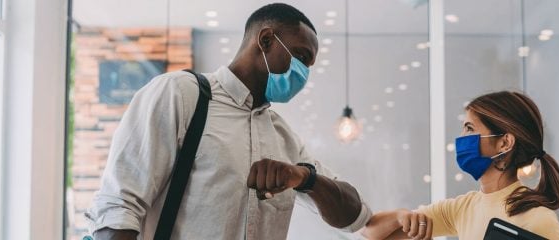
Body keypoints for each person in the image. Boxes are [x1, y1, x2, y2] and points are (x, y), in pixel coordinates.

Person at [85, 3, 371, 240]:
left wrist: (304, 177)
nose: (303, 75)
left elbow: (353, 215)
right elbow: (118, 207)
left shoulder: (283, 137)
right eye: (301, 57)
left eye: (309, 67)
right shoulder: (181, 94)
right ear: (266, 40)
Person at [362, 91, 559, 240]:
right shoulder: (462, 208)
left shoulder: (538, 219)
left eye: (469, 128)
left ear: (504, 143)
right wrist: (400, 216)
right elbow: (371, 234)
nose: (461, 138)